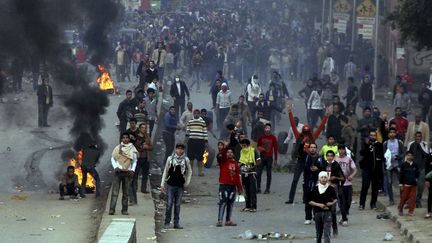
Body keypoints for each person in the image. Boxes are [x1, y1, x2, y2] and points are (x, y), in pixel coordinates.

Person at [286, 104, 329, 204]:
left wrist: (326, 116)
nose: (305, 134)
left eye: (307, 132)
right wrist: (289, 112)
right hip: (301, 160)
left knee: (307, 181)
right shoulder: (298, 137)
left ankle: (306, 199)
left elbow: (321, 126)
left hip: (309, 161)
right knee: (295, 180)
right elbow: (293, 125)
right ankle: (291, 198)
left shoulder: (313, 137)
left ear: (309, 131)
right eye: (304, 132)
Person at [161, 143, 192, 229]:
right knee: (169, 204)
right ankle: (167, 222)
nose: (180, 150)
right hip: (170, 185)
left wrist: (187, 182)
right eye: (178, 148)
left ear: (184, 150)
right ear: (175, 149)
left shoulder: (186, 160)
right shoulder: (170, 159)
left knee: (177, 205)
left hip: (180, 186)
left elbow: (189, 171)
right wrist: (162, 184)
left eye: (181, 149)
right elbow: (166, 171)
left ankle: (176, 223)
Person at [109, 132, 138, 215]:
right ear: (122, 139)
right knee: (115, 192)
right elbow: (113, 159)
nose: (125, 139)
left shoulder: (132, 149)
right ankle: (112, 210)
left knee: (126, 193)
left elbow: (135, 161)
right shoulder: (117, 148)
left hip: (127, 173)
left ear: (129, 139)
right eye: (124, 138)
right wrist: (115, 167)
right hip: (118, 172)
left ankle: (124, 210)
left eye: (127, 138)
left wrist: (132, 170)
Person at [321, 150, 345, 236]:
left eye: (331, 156)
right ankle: (325, 230)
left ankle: (335, 228)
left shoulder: (336, 165)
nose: (330, 157)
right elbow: (318, 176)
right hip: (323, 189)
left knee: (333, 210)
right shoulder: (323, 165)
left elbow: (343, 178)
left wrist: (335, 178)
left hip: (333, 189)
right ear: (326, 156)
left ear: (333, 157)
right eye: (328, 156)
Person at [308, 171, 337, 243]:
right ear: (319, 179)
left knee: (327, 232)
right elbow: (309, 201)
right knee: (319, 232)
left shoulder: (330, 188)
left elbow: (335, 199)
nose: (323, 179)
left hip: (327, 212)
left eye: (325, 177)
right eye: (322, 177)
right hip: (317, 212)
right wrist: (319, 205)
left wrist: (331, 203)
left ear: (327, 178)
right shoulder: (315, 189)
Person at [216, 148, 243, 227]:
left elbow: (238, 177)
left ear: (233, 154)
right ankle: (220, 220)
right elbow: (220, 155)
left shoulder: (235, 164)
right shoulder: (223, 161)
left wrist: (239, 188)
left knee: (230, 203)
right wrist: (225, 147)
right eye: (228, 152)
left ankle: (228, 220)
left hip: (232, 186)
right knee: (223, 202)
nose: (229, 153)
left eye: (231, 152)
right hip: (224, 185)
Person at [359, 130, 384, 210]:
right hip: (366, 169)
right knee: (365, 186)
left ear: (376, 136)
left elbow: (382, 157)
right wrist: (366, 145)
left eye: (374, 135)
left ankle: (373, 204)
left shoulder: (379, 145)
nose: (372, 136)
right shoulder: (366, 144)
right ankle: (361, 204)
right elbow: (362, 153)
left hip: (376, 170)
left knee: (375, 188)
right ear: (369, 136)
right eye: (371, 135)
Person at [130, 123, 153, 204]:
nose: (144, 129)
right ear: (139, 129)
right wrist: (139, 148)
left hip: (146, 158)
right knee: (135, 174)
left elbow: (151, 147)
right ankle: (134, 188)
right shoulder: (135, 137)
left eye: (145, 128)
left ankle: (143, 188)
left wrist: (147, 147)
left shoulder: (147, 137)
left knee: (145, 174)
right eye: (143, 128)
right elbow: (132, 146)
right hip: (137, 158)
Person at [335, 145, 357, 226]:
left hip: (348, 183)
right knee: (341, 201)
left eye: (342, 149)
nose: (341, 151)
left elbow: (355, 169)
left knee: (349, 201)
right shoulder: (335, 159)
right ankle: (344, 219)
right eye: (340, 149)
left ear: (344, 150)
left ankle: (344, 215)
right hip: (339, 183)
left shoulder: (349, 159)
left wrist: (352, 176)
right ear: (338, 150)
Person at [407, 131, 430, 208]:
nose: (418, 138)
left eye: (419, 136)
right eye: (416, 136)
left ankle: (418, 201)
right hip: (413, 168)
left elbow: (426, 154)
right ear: (414, 137)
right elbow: (408, 155)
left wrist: (420, 145)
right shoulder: (411, 144)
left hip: (422, 168)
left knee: (420, 185)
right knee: (411, 185)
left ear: (421, 137)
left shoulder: (424, 144)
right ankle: (410, 201)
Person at [383, 127, 404, 205]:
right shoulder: (385, 143)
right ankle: (391, 199)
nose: (392, 134)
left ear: (396, 133)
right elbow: (383, 155)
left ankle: (403, 198)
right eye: (390, 132)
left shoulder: (399, 142)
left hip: (397, 164)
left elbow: (403, 153)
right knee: (389, 182)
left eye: (393, 132)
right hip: (389, 165)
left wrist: (399, 157)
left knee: (401, 182)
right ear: (388, 134)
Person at [239, 139, 261, 212]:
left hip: (252, 173)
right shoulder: (241, 152)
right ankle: (247, 206)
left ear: (248, 145)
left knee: (252, 191)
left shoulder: (253, 151)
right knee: (246, 190)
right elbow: (241, 161)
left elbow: (259, 161)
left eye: (244, 146)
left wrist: (252, 167)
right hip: (244, 173)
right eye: (242, 146)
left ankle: (254, 207)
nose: (243, 147)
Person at [303, 143, 323, 225]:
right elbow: (304, 168)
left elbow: (323, 168)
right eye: (311, 147)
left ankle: (316, 217)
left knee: (317, 200)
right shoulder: (306, 157)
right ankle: (308, 217)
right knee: (308, 200)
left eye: (314, 147)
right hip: (308, 181)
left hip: (317, 182)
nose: (312, 149)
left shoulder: (320, 158)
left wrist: (317, 169)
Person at [256, 123, 278, 194]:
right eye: (266, 128)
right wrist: (260, 148)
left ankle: (267, 189)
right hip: (262, 157)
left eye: (268, 128)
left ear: (270, 129)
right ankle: (258, 188)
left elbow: (275, 149)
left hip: (269, 158)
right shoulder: (261, 137)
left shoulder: (273, 138)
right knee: (258, 173)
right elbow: (258, 146)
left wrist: (275, 159)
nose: (267, 129)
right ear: (264, 129)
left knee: (269, 174)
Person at [186, 109, 208, 176]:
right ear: (193, 114)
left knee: (200, 158)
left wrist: (206, 142)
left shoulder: (203, 122)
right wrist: (185, 141)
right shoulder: (190, 122)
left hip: (200, 142)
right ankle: (191, 172)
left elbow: (205, 132)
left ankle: (200, 172)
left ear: (199, 114)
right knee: (191, 157)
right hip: (191, 141)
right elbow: (187, 132)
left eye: (198, 113)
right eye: (195, 113)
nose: (196, 114)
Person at [398, 151, 420, 216]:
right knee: (403, 198)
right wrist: (401, 184)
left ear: (413, 156)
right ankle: (400, 209)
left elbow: (417, 173)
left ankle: (411, 211)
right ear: (406, 156)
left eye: (411, 155)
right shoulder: (403, 165)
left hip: (414, 185)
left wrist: (416, 179)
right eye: (408, 155)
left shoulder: (415, 164)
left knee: (413, 198)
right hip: (406, 184)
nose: (410, 157)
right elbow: (401, 175)